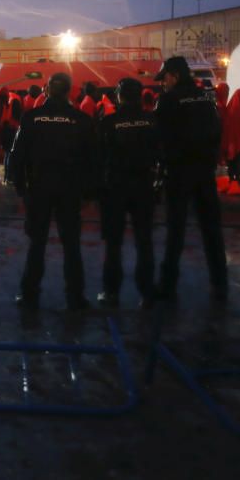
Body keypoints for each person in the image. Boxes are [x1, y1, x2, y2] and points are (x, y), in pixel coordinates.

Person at [8, 71, 97, 310]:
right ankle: (75, 297)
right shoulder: (81, 120)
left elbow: (17, 157)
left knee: (37, 243)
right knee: (71, 245)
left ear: (47, 90)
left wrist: (20, 188)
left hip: (39, 189)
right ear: (69, 91)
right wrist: (88, 193)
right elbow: (93, 159)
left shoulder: (31, 118)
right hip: (70, 189)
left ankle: (29, 294)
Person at [154, 56, 228, 301]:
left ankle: (168, 286)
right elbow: (217, 132)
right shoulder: (205, 99)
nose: (163, 83)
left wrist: (163, 165)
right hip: (204, 174)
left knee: (176, 230)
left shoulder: (168, 100)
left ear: (173, 75)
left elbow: (160, 137)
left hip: (179, 173)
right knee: (211, 231)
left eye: (164, 78)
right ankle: (220, 284)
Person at [96, 78, 160, 308]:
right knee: (144, 241)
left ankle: (111, 292)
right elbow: (160, 152)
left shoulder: (109, 122)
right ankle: (147, 293)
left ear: (119, 96)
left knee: (113, 243)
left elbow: (99, 156)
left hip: (115, 187)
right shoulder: (152, 121)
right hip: (143, 185)